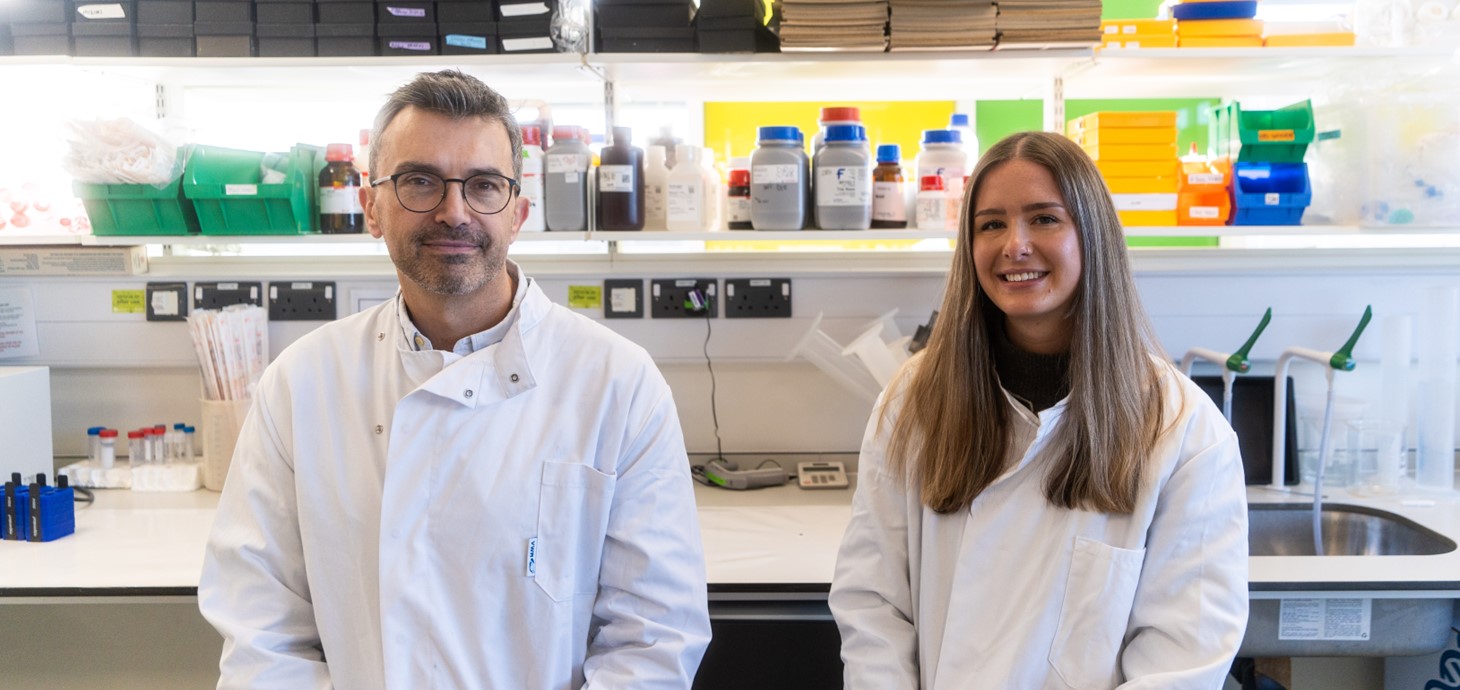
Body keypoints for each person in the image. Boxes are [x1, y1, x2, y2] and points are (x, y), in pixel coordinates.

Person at [198, 70, 711, 689]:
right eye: (419, 181)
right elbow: (262, 630)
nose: (454, 211)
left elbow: (653, 638)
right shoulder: (302, 383)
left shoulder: (617, 383)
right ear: (371, 208)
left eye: (484, 185)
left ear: (518, 212)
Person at [829, 130, 1248, 689]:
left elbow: (1183, 656)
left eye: (1044, 219)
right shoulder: (913, 403)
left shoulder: (1183, 431)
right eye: (991, 224)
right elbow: (873, 605)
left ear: (1091, 235)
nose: (1014, 245)